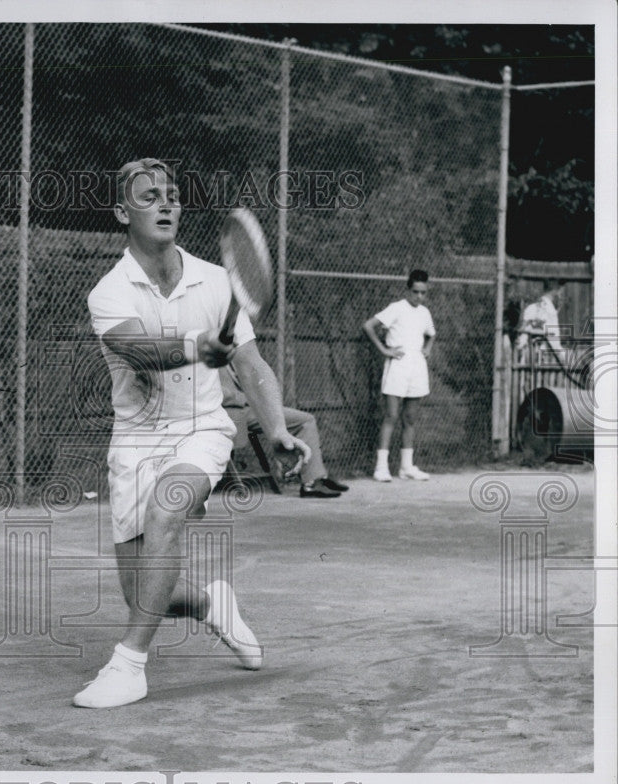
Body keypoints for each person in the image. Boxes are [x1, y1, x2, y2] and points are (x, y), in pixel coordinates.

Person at [77, 158, 311, 709]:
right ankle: (213, 606)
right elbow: (137, 349)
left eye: (173, 195)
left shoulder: (216, 281)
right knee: (142, 594)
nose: (165, 203)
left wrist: (275, 428)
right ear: (121, 212)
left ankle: (130, 665)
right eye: (149, 195)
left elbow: (251, 367)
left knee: (167, 510)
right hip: (135, 440)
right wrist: (192, 345)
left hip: (202, 429)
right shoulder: (108, 292)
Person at [220, 364, 348, 498]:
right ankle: (311, 482)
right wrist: (246, 396)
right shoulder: (201, 353)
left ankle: (316, 477)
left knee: (306, 419)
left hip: (248, 408)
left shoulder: (236, 352)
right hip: (227, 414)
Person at [362, 270, 436, 483]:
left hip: (417, 367)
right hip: (398, 366)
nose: (419, 297)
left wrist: (428, 348)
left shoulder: (425, 312)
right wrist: (385, 350)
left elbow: (431, 334)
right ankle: (381, 467)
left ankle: (406, 467)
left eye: (423, 293)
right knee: (391, 416)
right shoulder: (396, 308)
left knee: (410, 418)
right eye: (415, 292)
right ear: (408, 289)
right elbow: (368, 326)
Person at [516, 279, 567, 360]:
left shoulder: (531, 308)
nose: (561, 295)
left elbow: (521, 334)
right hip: (543, 358)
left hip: (527, 357)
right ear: (554, 291)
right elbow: (554, 343)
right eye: (559, 291)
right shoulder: (550, 311)